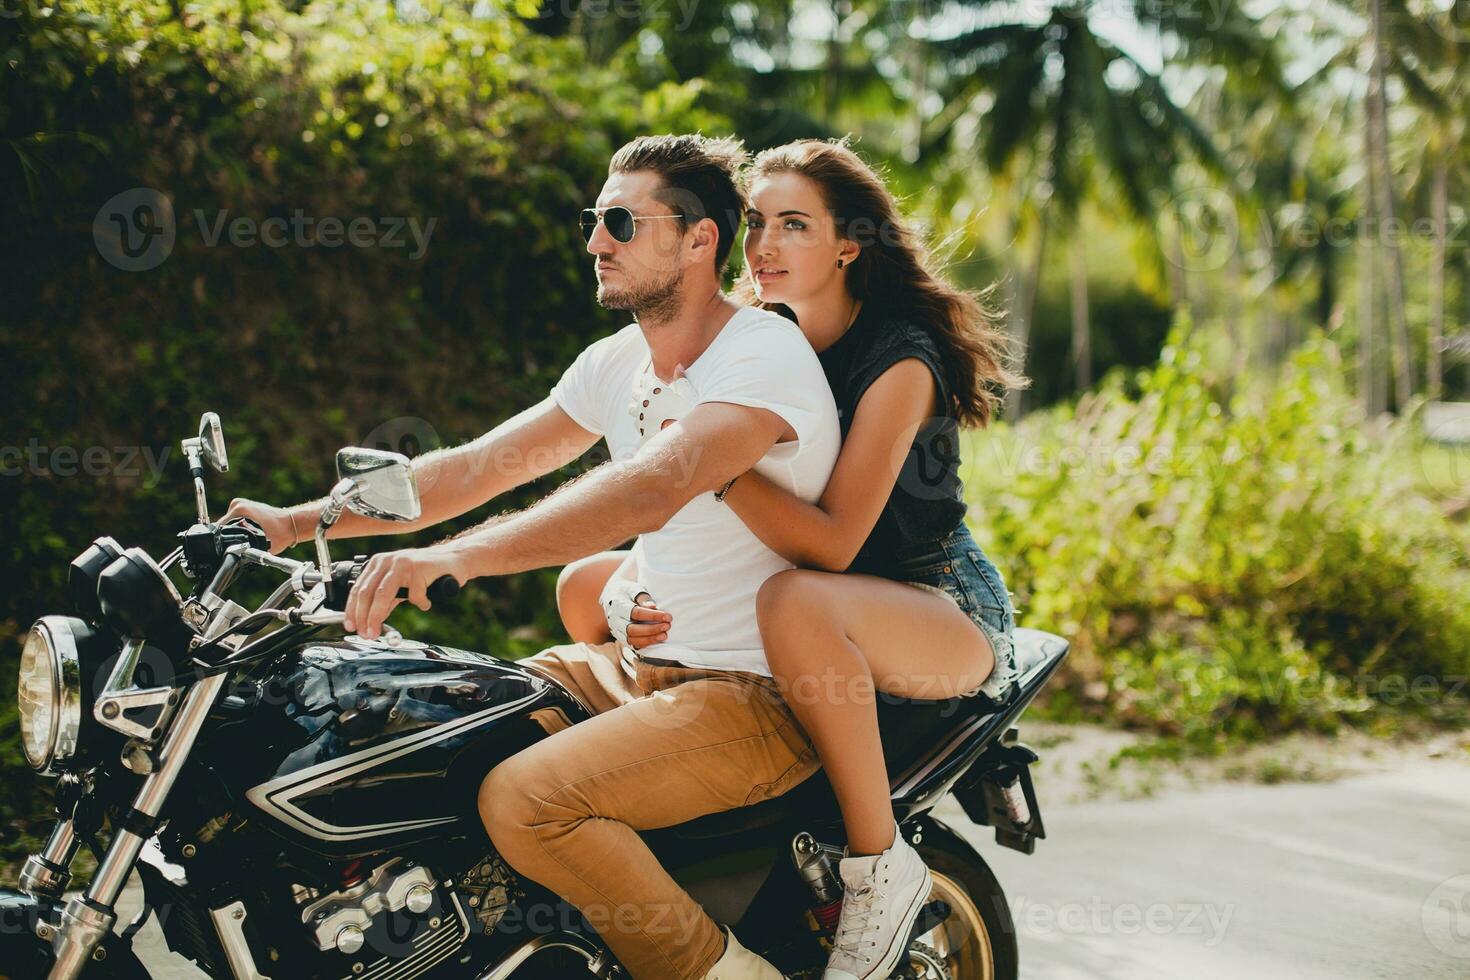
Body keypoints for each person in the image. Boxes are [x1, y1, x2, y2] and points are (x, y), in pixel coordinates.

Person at [225, 133, 843, 980]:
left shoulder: (758, 355)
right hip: (632, 668)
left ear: (700, 240)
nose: (595, 240)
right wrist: (294, 524)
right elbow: (473, 469)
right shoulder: (621, 361)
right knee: (435, 731)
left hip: (755, 695)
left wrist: (455, 560)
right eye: (595, 219)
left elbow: (649, 489)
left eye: (622, 222)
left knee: (526, 801)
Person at [557, 138, 1027, 980]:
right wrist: (638, 584)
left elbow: (837, 540)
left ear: (848, 245)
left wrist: (704, 466)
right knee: (585, 584)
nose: (765, 247)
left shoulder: (900, 360)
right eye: (759, 224)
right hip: (818, 592)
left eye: (795, 226)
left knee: (795, 603)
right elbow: (690, 522)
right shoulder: (760, 339)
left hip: (931, 599)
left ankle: (880, 869)